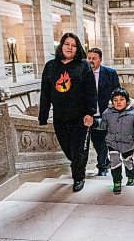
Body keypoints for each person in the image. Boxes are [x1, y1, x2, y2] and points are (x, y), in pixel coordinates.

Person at [38, 32, 97, 192]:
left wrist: (90, 113)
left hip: (81, 118)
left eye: (73, 45)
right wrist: (43, 116)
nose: (70, 48)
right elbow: (45, 92)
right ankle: (78, 165)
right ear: (61, 46)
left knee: (78, 151)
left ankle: (79, 177)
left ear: (77, 49)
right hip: (60, 118)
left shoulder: (83, 65)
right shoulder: (51, 66)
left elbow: (91, 91)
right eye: (67, 44)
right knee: (69, 151)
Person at [95, 88, 134, 194]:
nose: (118, 102)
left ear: (126, 101)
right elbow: (103, 125)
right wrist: (94, 123)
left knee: (127, 161)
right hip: (112, 142)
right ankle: (117, 181)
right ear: (112, 101)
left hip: (128, 143)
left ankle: (131, 176)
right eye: (115, 100)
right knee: (115, 162)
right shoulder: (108, 113)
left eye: (121, 99)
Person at [87, 47, 121, 176]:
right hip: (90, 115)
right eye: (89, 58)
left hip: (106, 114)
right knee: (96, 142)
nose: (91, 61)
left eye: (94, 58)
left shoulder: (110, 73)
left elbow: (117, 92)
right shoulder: (83, 73)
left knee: (102, 141)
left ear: (100, 60)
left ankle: (102, 167)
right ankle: (105, 162)